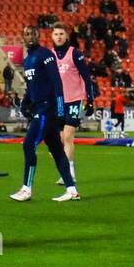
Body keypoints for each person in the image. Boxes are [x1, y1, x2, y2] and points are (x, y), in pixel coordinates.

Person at [9, 30, 77, 203]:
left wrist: (61, 111)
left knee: (28, 144)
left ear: (38, 36)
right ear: (23, 38)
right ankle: (71, 190)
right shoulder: (27, 60)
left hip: (48, 108)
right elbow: (32, 86)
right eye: (26, 34)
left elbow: (57, 82)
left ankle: (26, 189)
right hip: (40, 107)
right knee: (56, 149)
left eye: (33, 34)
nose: (30, 37)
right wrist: (25, 103)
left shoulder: (45, 55)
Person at [49, 23, 98, 189]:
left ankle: (69, 174)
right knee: (61, 139)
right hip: (57, 103)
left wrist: (90, 99)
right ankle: (66, 170)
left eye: (61, 33)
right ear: (52, 36)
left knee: (69, 136)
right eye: (56, 34)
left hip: (74, 101)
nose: (59, 37)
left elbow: (86, 76)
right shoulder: (49, 55)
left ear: (66, 36)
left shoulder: (75, 54)